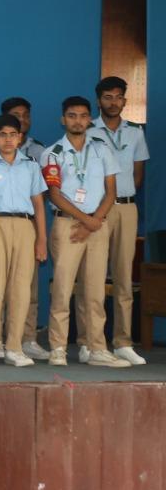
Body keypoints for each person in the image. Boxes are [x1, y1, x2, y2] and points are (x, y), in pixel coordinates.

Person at [41, 97, 128, 368]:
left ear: (89, 119)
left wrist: (94, 221)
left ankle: (95, 347)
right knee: (63, 289)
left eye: (82, 116)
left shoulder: (102, 149)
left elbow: (111, 191)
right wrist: (85, 221)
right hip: (67, 225)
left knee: (95, 291)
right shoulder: (52, 153)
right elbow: (54, 194)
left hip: (98, 224)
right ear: (63, 119)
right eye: (71, 115)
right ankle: (57, 348)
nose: (77, 121)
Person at [0, 113, 48, 368]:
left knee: (21, 290)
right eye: (2, 135)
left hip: (25, 226)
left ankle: (14, 347)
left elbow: (39, 204)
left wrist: (41, 240)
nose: (8, 140)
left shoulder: (31, 166)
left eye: (13, 135)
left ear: (20, 137)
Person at [89, 76, 149, 365]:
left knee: (124, 276)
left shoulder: (135, 132)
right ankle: (90, 341)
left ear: (125, 100)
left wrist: (121, 196)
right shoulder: (88, 130)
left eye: (118, 97)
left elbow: (138, 176)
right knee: (93, 276)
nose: (113, 102)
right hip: (96, 210)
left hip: (126, 208)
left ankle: (123, 342)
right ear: (98, 100)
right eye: (107, 97)